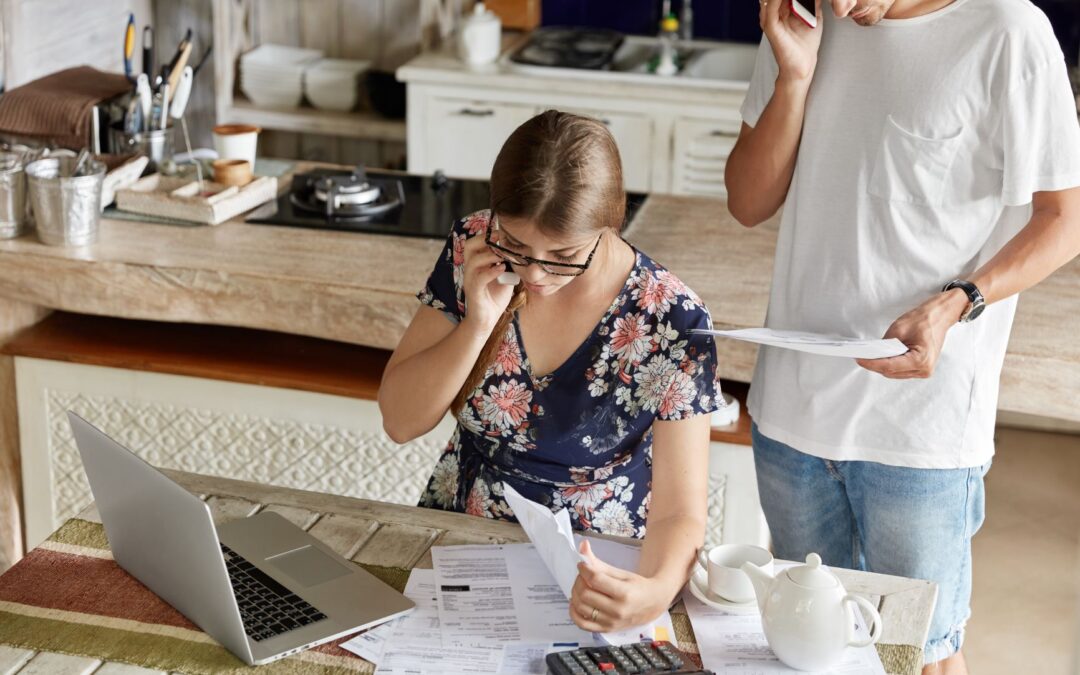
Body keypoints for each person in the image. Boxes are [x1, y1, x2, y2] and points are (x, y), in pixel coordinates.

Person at [724, 0, 1080, 672]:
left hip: (922, 432)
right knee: (808, 650)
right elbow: (747, 200)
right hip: (792, 416)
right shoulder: (805, 23)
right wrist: (794, 77)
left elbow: (1065, 218)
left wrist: (958, 302)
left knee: (917, 655)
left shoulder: (1008, 32)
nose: (841, 6)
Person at [380, 110, 724, 633]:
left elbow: (680, 511)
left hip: (593, 569)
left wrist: (654, 592)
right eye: (516, 247)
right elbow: (400, 421)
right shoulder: (475, 245)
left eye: (562, 256)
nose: (534, 275)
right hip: (462, 542)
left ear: (609, 225)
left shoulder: (672, 320)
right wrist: (478, 324)